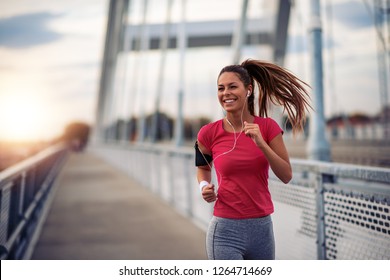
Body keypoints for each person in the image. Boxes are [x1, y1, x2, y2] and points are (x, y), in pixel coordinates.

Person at [195, 58, 311, 260]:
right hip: (225, 231)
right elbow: (202, 168)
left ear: (248, 90)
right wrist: (204, 186)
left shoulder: (268, 128)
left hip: (262, 230)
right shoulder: (207, 133)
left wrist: (261, 144)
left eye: (233, 87)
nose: (226, 93)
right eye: (221, 88)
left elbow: (286, 175)